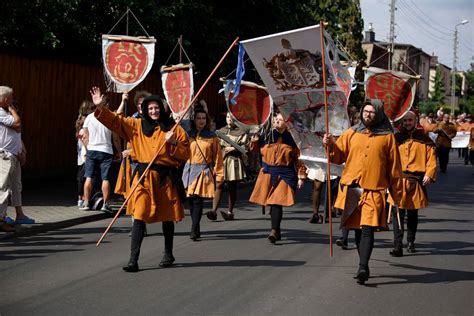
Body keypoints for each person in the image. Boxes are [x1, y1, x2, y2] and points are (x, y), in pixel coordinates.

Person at [90, 87, 190, 272]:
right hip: (143, 178)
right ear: (144, 109)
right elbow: (115, 121)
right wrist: (100, 106)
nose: (154, 111)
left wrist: (174, 142)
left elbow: (186, 154)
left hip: (165, 179)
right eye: (150, 108)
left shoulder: (174, 129)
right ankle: (133, 260)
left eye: (156, 108)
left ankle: (168, 253)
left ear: (162, 108)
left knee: (167, 216)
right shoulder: (135, 126)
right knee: (139, 215)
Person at [323, 99, 402, 285]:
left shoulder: (388, 137)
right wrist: (329, 145)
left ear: (379, 114)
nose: (368, 114)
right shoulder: (351, 133)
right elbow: (337, 156)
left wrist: (395, 192)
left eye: (372, 112)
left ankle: (363, 266)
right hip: (352, 189)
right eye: (365, 111)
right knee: (358, 229)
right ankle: (362, 265)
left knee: (367, 229)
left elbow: (394, 168)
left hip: (374, 190)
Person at [249, 113, 305, 243]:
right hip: (268, 173)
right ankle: (277, 230)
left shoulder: (293, 138)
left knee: (276, 202)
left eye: (281, 120)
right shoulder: (267, 136)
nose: (277, 122)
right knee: (273, 204)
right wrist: (254, 141)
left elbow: (299, 159)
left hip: (285, 174)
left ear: (287, 123)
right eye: (276, 120)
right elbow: (254, 151)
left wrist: (301, 175)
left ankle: (274, 231)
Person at [387, 111, 437, 256]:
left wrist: (429, 173)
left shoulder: (424, 139)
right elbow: (388, 158)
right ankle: (397, 245)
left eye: (410, 120)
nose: (407, 123)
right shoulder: (396, 139)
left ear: (415, 121)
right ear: (402, 122)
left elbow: (431, 160)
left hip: (416, 181)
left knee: (412, 213)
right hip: (398, 181)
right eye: (405, 120)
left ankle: (410, 241)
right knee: (397, 214)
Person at [182, 106, 224, 240]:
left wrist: (219, 174)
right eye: (198, 118)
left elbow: (218, 157)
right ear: (194, 120)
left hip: (203, 171)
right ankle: (196, 227)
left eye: (204, 118)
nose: (201, 121)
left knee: (197, 200)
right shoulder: (188, 135)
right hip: (188, 170)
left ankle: (194, 228)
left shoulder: (212, 137)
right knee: (191, 201)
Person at [80, 95, 118, 212]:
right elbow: (115, 137)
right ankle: (105, 204)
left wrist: (87, 149)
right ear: (106, 105)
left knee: (89, 177)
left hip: (92, 150)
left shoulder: (89, 118)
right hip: (106, 150)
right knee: (105, 178)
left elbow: (84, 136)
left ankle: (86, 203)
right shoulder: (109, 117)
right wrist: (119, 151)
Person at [208, 112, 249, 221]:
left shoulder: (241, 132)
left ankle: (230, 212)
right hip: (222, 160)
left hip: (233, 161)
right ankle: (213, 211)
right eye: (227, 117)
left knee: (232, 187)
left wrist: (234, 148)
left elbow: (245, 147)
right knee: (219, 184)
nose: (229, 119)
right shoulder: (221, 131)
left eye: (231, 117)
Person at [0, 86, 22, 232]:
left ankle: (2, 218)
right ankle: (0, 220)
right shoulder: (1, 112)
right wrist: (13, 110)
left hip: (10, 154)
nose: (13, 100)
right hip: (4, 155)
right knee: (2, 189)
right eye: (11, 98)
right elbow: (18, 124)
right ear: (6, 99)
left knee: (7, 188)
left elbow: (17, 129)